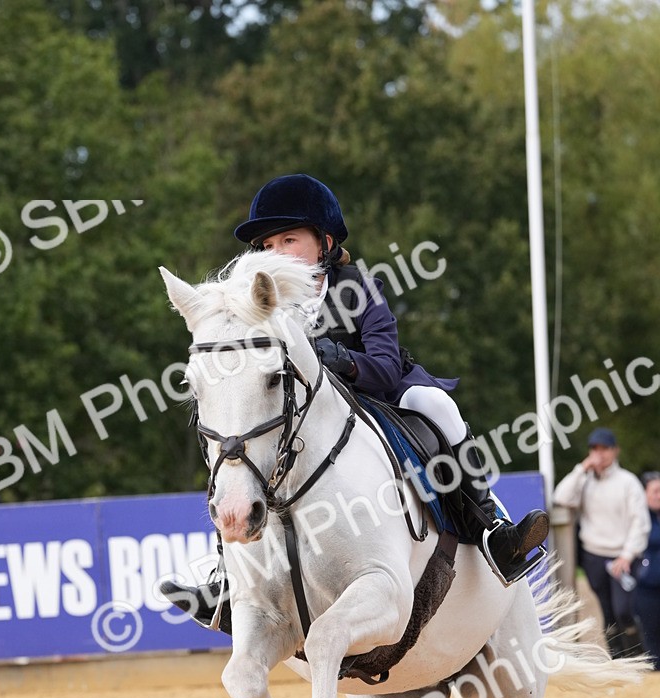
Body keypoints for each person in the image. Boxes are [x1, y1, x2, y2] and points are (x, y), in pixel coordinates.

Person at [162, 174, 549, 630]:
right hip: (305, 420)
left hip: (378, 395)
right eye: (267, 245)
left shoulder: (358, 287)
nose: (276, 253)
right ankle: (226, 579)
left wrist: (339, 358)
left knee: (437, 405)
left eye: (290, 239)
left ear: (324, 243)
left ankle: (492, 531)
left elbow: (384, 366)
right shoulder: (256, 306)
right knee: (239, 444)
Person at [553, 429, 650, 658]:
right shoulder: (585, 481)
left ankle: (637, 656)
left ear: (615, 451)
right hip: (594, 556)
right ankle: (617, 658)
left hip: (622, 556)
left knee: (623, 610)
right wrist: (582, 469)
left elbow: (640, 522)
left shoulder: (628, 482)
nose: (600, 454)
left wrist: (627, 554)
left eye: (605, 449)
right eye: (595, 449)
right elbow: (561, 497)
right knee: (607, 611)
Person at [635, 473, 660, 669]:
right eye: (655, 491)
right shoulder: (638, 519)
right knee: (651, 632)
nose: (659, 495)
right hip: (647, 586)